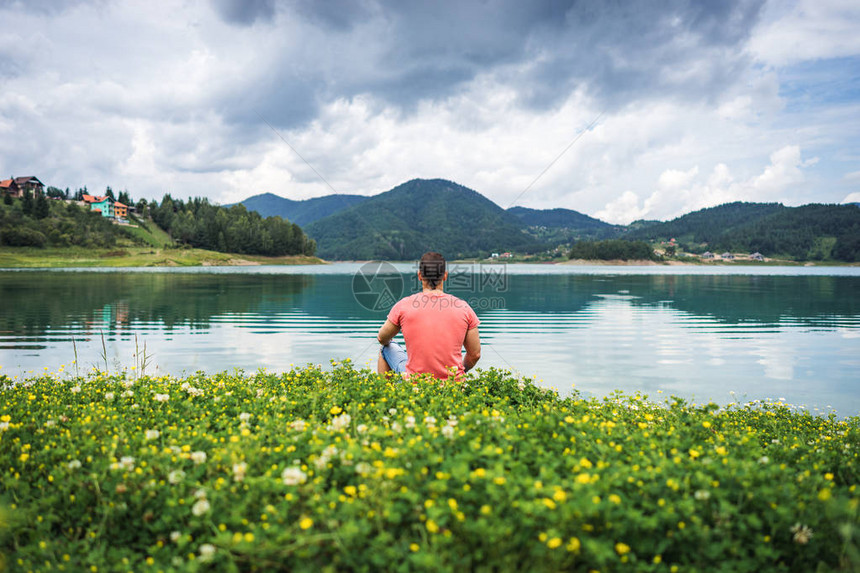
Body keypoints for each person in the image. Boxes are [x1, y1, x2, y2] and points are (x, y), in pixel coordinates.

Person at [377, 252, 481, 379]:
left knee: (386, 348)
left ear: (420, 276)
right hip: (452, 383)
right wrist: (460, 371)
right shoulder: (464, 308)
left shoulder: (403, 305)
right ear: (445, 276)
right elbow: (475, 354)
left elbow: (382, 338)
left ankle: (386, 394)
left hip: (416, 383)